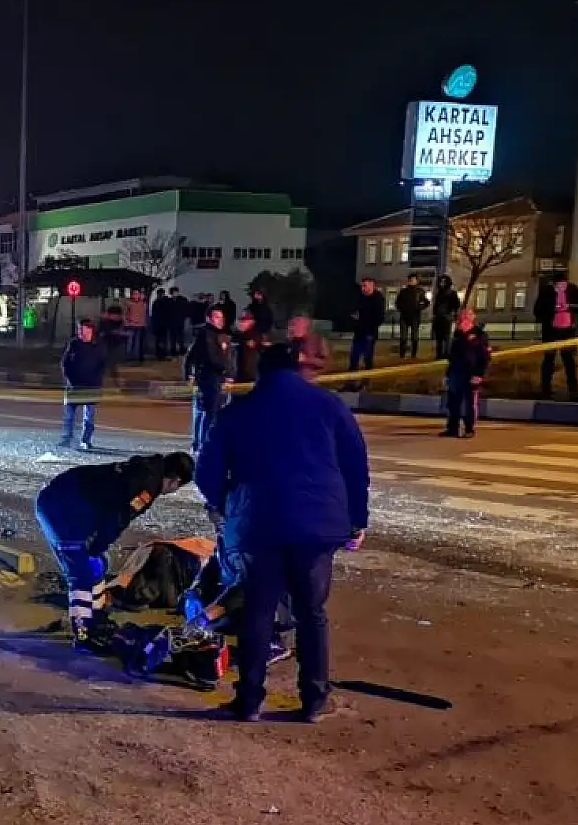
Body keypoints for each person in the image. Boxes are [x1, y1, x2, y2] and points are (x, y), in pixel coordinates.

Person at [194, 343, 370, 723]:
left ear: (261, 373)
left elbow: (206, 473)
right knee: (311, 612)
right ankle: (314, 699)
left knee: (258, 611)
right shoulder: (329, 406)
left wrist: (228, 503)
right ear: (297, 368)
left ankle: (249, 701)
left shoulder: (236, 413)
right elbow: (356, 466)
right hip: (317, 527)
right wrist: (357, 520)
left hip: (259, 524)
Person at [34, 451, 196, 647]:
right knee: (81, 572)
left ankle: (95, 616)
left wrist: (97, 547)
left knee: (99, 565)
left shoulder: (148, 468)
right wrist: (98, 544)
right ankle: (83, 631)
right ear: (175, 481)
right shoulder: (147, 487)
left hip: (70, 502)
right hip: (60, 508)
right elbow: (117, 520)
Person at [184, 306, 235, 453]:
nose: (220, 320)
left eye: (222, 317)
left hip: (213, 379)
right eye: (217, 317)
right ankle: (203, 445)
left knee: (204, 412)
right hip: (209, 379)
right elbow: (212, 357)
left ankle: (199, 444)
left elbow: (191, 355)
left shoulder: (219, 335)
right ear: (209, 318)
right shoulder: (207, 335)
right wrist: (226, 372)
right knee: (208, 413)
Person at [534, 270, 578, 399]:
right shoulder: (547, 292)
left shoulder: (573, 289)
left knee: (569, 360)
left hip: (567, 330)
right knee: (548, 360)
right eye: (558, 285)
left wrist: (569, 306)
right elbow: (537, 310)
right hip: (551, 331)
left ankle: (573, 389)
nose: (561, 287)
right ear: (553, 284)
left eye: (563, 284)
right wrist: (552, 309)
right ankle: (545, 388)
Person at [59, 318, 108, 450]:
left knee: (89, 417)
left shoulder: (98, 345)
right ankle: (66, 438)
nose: (81, 333)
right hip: (74, 385)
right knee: (69, 416)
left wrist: (97, 379)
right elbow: (65, 362)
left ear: (91, 330)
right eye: (80, 330)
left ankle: (86, 440)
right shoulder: (74, 344)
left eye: (84, 330)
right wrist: (69, 377)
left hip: (91, 385)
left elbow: (103, 365)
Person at [442, 307, 491, 439]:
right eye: (462, 315)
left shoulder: (479, 335)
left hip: (471, 373)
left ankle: (469, 428)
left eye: (468, 315)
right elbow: (452, 358)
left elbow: (484, 357)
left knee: (469, 402)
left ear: (473, 317)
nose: (464, 317)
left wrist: (479, 374)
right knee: (453, 402)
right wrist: (447, 375)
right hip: (456, 373)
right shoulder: (457, 335)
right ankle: (452, 428)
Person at [349, 277, 384, 372]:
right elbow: (354, 310)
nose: (363, 288)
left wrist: (371, 330)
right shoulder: (360, 297)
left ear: (372, 286)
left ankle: (366, 381)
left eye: (365, 286)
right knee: (354, 357)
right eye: (362, 286)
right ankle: (351, 382)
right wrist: (354, 317)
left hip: (370, 333)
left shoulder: (378, 298)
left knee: (367, 358)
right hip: (359, 332)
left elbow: (380, 318)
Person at [394, 274, 427, 359]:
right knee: (403, 338)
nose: (412, 281)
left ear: (416, 281)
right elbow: (397, 303)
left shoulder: (420, 291)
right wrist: (402, 308)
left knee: (415, 338)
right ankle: (402, 355)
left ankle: (413, 355)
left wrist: (420, 307)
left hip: (415, 317)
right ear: (408, 281)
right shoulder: (403, 291)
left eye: (413, 280)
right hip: (404, 317)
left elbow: (426, 302)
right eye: (410, 280)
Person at [431, 276, 460, 361]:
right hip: (438, 317)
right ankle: (439, 353)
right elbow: (436, 305)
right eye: (441, 282)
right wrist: (434, 315)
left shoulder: (452, 293)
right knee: (439, 336)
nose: (442, 283)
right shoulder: (439, 292)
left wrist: (453, 314)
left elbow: (456, 305)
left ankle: (447, 353)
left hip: (447, 317)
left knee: (447, 337)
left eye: (444, 282)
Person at [123, 288, 149, 361]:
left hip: (141, 325)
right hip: (131, 325)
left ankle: (140, 356)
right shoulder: (129, 303)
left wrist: (146, 323)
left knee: (140, 342)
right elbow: (125, 314)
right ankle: (129, 356)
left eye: (137, 294)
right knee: (130, 342)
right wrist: (126, 323)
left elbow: (146, 314)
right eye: (134, 294)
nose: (136, 295)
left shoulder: (143, 304)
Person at [150, 288, 174, 358]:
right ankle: (161, 353)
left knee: (161, 340)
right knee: (161, 340)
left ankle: (161, 353)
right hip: (161, 324)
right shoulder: (160, 302)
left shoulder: (158, 302)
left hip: (161, 324)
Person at [167, 288, 188, 352]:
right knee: (173, 337)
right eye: (173, 292)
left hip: (179, 321)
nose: (175, 294)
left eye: (176, 292)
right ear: (171, 293)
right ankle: (173, 349)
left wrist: (183, 318)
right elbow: (168, 312)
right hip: (172, 322)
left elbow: (185, 310)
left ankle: (181, 348)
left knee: (180, 336)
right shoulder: (169, 301)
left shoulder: (181, 300)